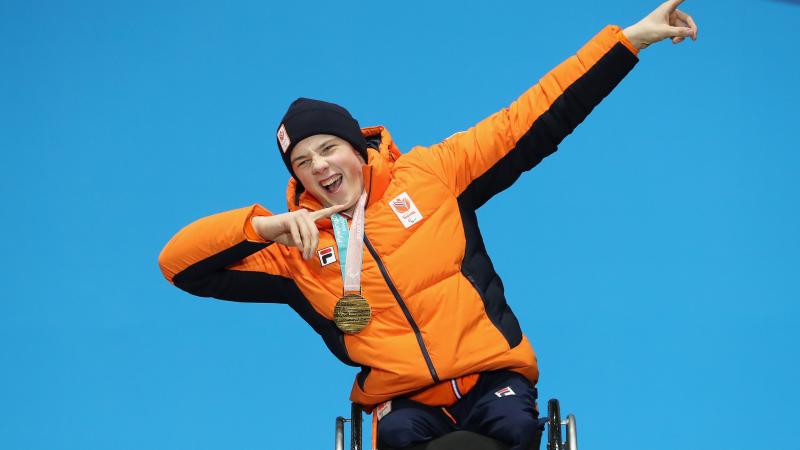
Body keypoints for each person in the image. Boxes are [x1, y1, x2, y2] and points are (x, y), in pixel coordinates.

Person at [158, 2, 698, 449]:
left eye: (328, 149)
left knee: (515, 430)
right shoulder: (294, 247)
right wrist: (261, 228)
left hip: (492, 378)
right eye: (303, 162)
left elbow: (531, 117)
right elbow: (178, 265)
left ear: (357, 148)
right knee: (396, 441)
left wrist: (628, 41)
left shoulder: (433, 174)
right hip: (404, 402)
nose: (320, 167)